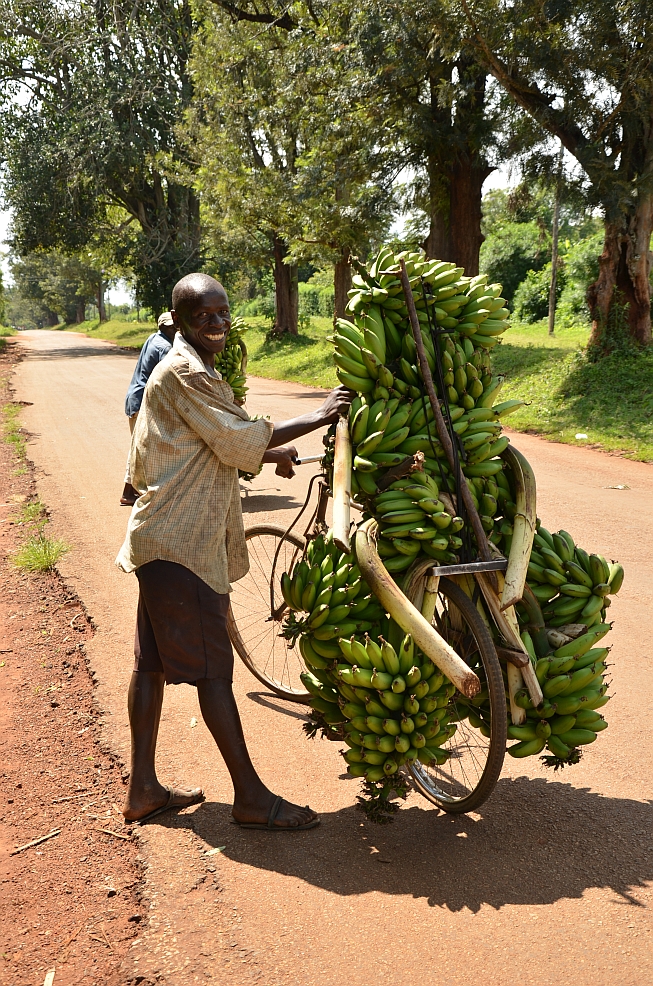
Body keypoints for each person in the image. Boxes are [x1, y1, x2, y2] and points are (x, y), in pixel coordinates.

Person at [115, 272, 352, 831]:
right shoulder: (183, 371)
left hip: (165, 539)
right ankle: (251, 798)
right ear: (178, 320)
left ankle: (144, 790)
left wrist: (272, 455)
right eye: (204, 316)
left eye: (223, 313)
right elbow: (238, 437)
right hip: (183, 544)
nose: (217, 324)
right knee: (213, 674)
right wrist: (320, 413)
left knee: (150, 667)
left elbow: (209, 443)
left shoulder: (194, 367)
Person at [120, 312, 177, 506]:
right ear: (163, 327)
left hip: (134, 398)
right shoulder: (166, 347)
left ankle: (131, 491)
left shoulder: (153, 338)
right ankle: (134, 493)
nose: (175, 329)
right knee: (145, 450)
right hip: (143, 402)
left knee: (140, 448)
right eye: (171, 327)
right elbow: (170, 377)